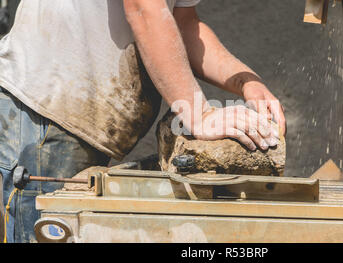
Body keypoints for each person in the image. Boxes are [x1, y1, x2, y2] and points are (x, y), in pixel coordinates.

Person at [0, 0, 286, 243]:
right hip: (46, 109)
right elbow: (144, 8)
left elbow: (182, 21)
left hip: (76, 120)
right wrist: (199, 114)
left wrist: (244, 81)